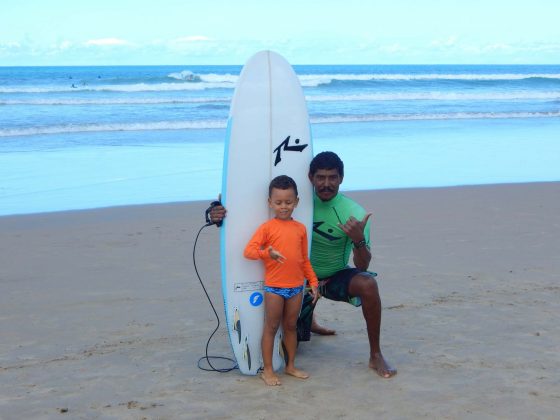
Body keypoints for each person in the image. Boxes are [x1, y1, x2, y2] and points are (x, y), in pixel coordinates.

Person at [209, 152, 396, 378]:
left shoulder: (354, 214)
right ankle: (310, 321)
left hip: (333, 276)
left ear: (341, 178)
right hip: (298, 282)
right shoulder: (297, 202)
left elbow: (362, 265)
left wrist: (358, 240)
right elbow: (250, 208)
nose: (326, 184)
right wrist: (216, 210)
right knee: (293, 340)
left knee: (368, 284)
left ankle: (375, 355)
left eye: (332, 177)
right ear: (310, 177)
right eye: (320, 177)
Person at [243, 175, 319, 386]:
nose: (283, 206)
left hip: (296, 287)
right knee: (271, 327)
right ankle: (267, 370)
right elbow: (249, 251)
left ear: (296, 201)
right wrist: (268, 253)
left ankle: (291, 365)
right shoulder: (267, 228)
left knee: (291, 327)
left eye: (288, 202)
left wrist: (312, 281)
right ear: (270, 203)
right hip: (274, 288)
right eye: (278, 202)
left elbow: (304, 260)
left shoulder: (300, 229)